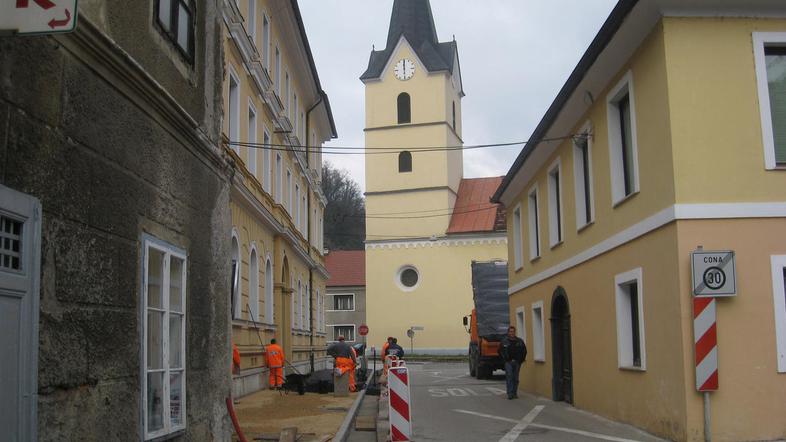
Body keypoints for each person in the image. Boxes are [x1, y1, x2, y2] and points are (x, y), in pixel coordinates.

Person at [498, 326, 527, 399]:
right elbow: (500, 351)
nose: (512, 333)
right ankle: (510, 393)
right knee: (509, 376)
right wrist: (505, 359)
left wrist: (521, 360)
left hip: (517, 362)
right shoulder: (504, 341)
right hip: (508, 362)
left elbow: (524, 351)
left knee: (516, 378)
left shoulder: (520, 341)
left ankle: (514, 393)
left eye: (513, 331)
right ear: (508, 332)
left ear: (515, 332)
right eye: (510, 331)